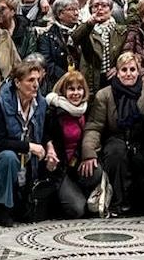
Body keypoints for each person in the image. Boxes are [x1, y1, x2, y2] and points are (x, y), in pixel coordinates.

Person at [0, 59, 48, 227]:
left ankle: (23, 202)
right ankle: (2, 208)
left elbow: (45, 131)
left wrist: (50, 148)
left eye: (37, 80)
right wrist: (28, 146)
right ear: (18, 83)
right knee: (8, 157)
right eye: (30, 80)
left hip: (26, 160)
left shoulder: (40, 103)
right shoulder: (0, 104)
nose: (35, 85)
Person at [81, 51, 144, 217]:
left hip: (141, 138)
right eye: (124, 70)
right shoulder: (105, 95)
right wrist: (88, 153)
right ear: (117, 72)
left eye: (132, 69)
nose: (128, 74)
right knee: (116, 155)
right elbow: (94, 126)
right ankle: (118, 203)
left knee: (142, 157)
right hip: (115, 137)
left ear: (139, 72)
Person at [45, 70, 98, 218]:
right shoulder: (54, 112)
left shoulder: (86, 110)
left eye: (79, 88)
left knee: (96, 171)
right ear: (64, 91)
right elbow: (45, 136)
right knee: (78, 210)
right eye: (71, 89)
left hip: (77, 164)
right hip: (60, 169)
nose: (76, 93)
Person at [73, 0, 127, 93]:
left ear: (111, 10)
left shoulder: (121, 31)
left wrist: (119, 67)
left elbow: (126, 52)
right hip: (91, 78)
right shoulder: (86, 29)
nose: (100, 9)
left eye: (104, 5)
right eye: (96, 6)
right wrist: (90, 23)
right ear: (90, 10)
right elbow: (75, 38)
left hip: (114, 78)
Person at [38, 0, 82, 93]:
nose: (76, 13)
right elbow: (47, 63)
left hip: (82, 81)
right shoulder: (47, 36)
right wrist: (68, 77)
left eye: (77, 9)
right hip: (57, 84)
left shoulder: (85, 31)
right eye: (71, 9)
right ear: (60, 14)